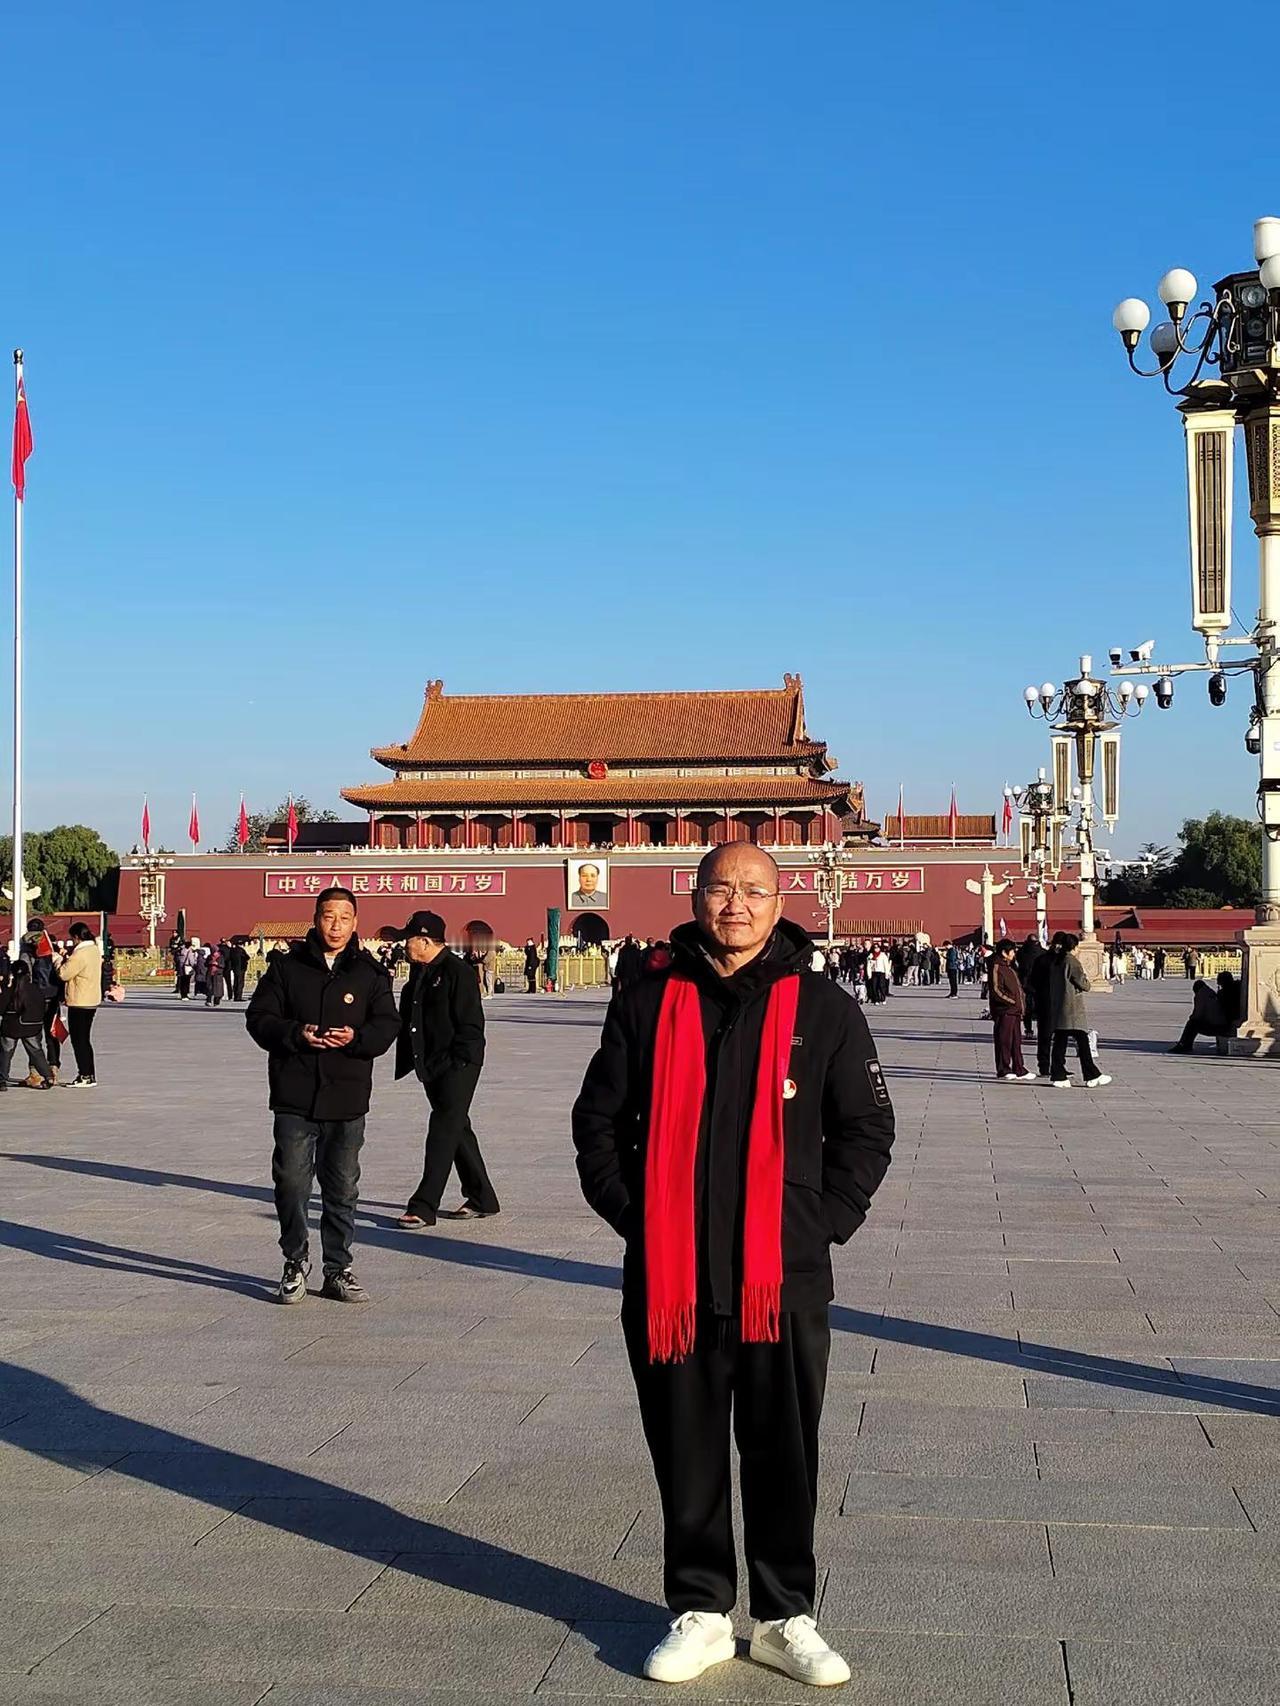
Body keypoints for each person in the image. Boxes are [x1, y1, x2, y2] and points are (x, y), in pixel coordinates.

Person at [573, 843, 895, 1687]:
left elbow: (867, 1129)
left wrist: (819, 1223)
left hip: (781, 1280)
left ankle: (786, 1616)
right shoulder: (647, 1000)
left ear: (780, 902)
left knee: (784, 1450)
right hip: (671, 1276)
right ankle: (702, 1609)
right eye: (721, 888)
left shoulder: (822, 1007)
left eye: (754, 889)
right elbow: (597, 1123)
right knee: (685, 1450)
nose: (736, 904)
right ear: (696, 897)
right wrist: (639, 1218)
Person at [245, 887, 399, 1304]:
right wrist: (297, 1033)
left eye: (344, 918)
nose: (336, 926)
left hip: (347, 1095)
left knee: (342, 1186)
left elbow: (388, 1024)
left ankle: (338, 1268)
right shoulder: (286, 967)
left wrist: (356, 1038)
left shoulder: (369, 973)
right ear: (315, 918)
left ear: (355, 922)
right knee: (291, 1183)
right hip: (295, 1094)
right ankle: (295, 1261)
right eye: (329, 916)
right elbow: (259, 1017)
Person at [393, 910, 501, 1228]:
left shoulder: (458, 972)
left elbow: (471, 1025)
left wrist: (458, 1061)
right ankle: (482, 1197)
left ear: (425, 941)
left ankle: (424, 1204)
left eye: (409, 939)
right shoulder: (419, 973)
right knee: (456, 1128)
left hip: (458, 1065)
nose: (404, 945)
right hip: (430, 1063)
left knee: (442, 1126)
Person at [1047, 932, 1111, 1089]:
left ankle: (1058, 1075)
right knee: (1083, 1043)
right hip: (1072, 1009)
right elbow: (1084, 984)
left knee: (1059, 1043)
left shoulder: (1057, 961)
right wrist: (1086, 982)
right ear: (1074, 947)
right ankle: (1091, 1075)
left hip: (1059, 1007)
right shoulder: (1072, 961)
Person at [56, 922, 103, 1087]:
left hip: (79, 1001)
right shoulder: (94, 950)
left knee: (79, 1040)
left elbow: (64, 974)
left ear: (76, 937)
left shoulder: (80, 954)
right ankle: (89, 1074)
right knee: (85, 1039)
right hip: (91, 1000)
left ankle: (85, 1075)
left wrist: (58, 960)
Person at [0, 961, 56, 1090]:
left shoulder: (10, 990)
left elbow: (1, 1008)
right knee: (36, 1052)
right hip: (33, 1026)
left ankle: (2, 1078)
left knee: (6, 1052)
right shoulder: (36, 990)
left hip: (12, 1027)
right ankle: (48, 1076)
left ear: (12, 974)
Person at [20, 919, 62, 1080]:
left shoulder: (27, 947)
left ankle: (35, 1071)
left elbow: (25, 973)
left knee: (34, 1035)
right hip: (53, 995)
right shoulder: (51, 946)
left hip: (34, 997)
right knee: (52, 1033)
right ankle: (53, 1067)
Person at [989, 940, 1032, 1082]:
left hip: (1015, 1011)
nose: (1014, 954)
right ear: (1004, 952)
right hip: (1005, 1011)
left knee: (1016, 1041)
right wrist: (1012, 1001)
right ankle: (1004, 1069)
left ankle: (1019, 1068)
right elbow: (996, 989)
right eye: (1012, 951)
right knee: (1004, 1041)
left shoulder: (1010, 967)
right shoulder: (996, 967)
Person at [1170, 971, 1241, 1054]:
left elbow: (1199, 1014)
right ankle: (1185, 1044)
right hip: (1229, 1023)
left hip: (1225, 1026)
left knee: (1192, 1024)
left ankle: (1184, 1044)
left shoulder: (1223, 994)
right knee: (1193, 1023)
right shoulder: (1235, 990)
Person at [1015, 935, 1043, 1040]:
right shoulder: (1043, 952)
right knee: (1041, 1009)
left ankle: (1028, 1030)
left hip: (1025, 984)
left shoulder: (1021, 952)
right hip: (1040, 985)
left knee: (1028, 1009)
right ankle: (1042, 1030)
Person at [225, 938, 250, 1003]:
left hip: (235, 968)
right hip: (241, 968)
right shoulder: (241, 950)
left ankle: (235, 995)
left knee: (236, 982)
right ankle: (238, 997)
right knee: (240, 983)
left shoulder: (232, 951)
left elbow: (229, 958)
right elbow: (247, 957)